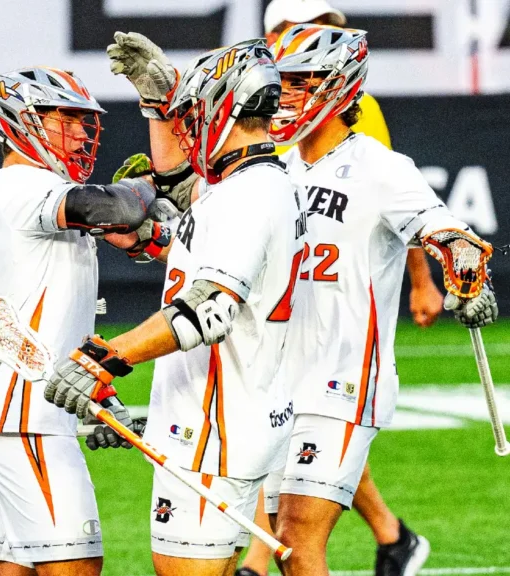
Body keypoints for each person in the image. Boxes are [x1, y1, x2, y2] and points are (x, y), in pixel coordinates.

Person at [46, 39, 309, 576]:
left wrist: (102, 357)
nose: (189, 125)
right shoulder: (250, 183)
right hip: (233, 418)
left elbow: (208, 309)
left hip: (215, 430)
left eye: (195, 111)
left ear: (227, 107)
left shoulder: (247, 195)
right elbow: (178, 188)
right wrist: (157, 105)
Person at [261, 24, 497, 576]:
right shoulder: (273, 167)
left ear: (341, 87)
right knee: (281, 540)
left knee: (298, 535)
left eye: (302, 80)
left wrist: (465, 270)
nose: (286, 93)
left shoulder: (381, 168)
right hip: (276, 378)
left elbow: (442, 228)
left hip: (345, 378)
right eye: (283, 81)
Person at [0, 64, 162, 575]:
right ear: (19, 121)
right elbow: (113, 206)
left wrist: (101, 403)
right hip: (23, 418)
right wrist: (154, 182)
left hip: (17, 416)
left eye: (82, 121)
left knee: (17, 568)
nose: (79, 134)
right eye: (64, 120)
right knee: (74, 566)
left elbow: (57, 322)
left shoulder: (25, 190)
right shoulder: (18, 183)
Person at [262, 0, 445, 329]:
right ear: (271, 38)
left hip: (342, 297)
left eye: (326, 27)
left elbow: (396, 198)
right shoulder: (246, 113)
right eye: (306, 27)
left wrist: (421, 281)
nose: (320, 36)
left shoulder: (360, 106)